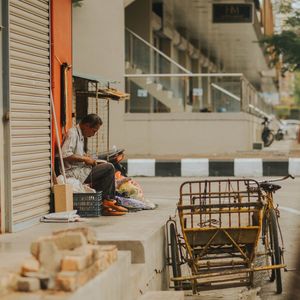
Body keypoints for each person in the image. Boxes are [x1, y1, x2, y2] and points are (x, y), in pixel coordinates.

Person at [61, 113, 127, 215]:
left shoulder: (80, 135)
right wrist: (85, 159)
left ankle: (104, 205)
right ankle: (107, 201)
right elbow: (65, 154)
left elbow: (76, 153)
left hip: (79, 170)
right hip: (72, 173)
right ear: (86, 125)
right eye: (94, 130)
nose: (94, 134)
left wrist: (87, 157)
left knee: (104, 169)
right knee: (109, 168)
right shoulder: (72, 133)